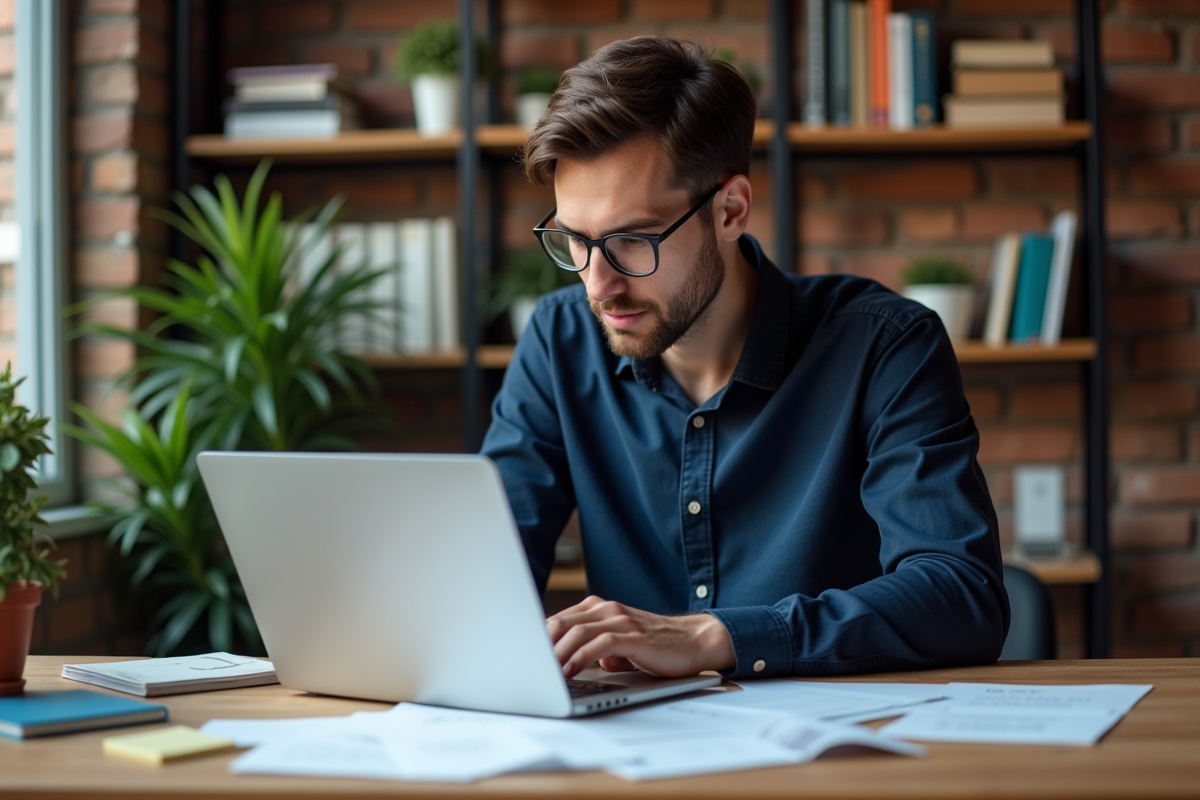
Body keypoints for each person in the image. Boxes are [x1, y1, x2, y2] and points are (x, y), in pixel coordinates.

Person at [480, 36, 1009, 681]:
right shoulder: (558, 342)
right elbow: (485, 573)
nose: (597, 284)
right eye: (575, 240)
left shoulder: (886, 345)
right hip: (634, 761)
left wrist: (718, 637)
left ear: (730, 210)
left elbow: (961, 595)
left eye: (631, 240)